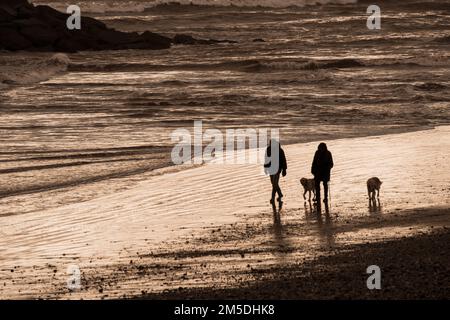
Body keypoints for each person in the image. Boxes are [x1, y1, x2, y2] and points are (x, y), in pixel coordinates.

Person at [264, 139, 287, 205]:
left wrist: (284, 169)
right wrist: (265, 168)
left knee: (274, 183)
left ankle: (272, 198)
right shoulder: (268, 149)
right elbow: (266, 159)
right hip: (271, 169)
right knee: (273, 183)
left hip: (277, 169)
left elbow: (283, 160)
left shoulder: (280, 150)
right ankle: (280, 194)